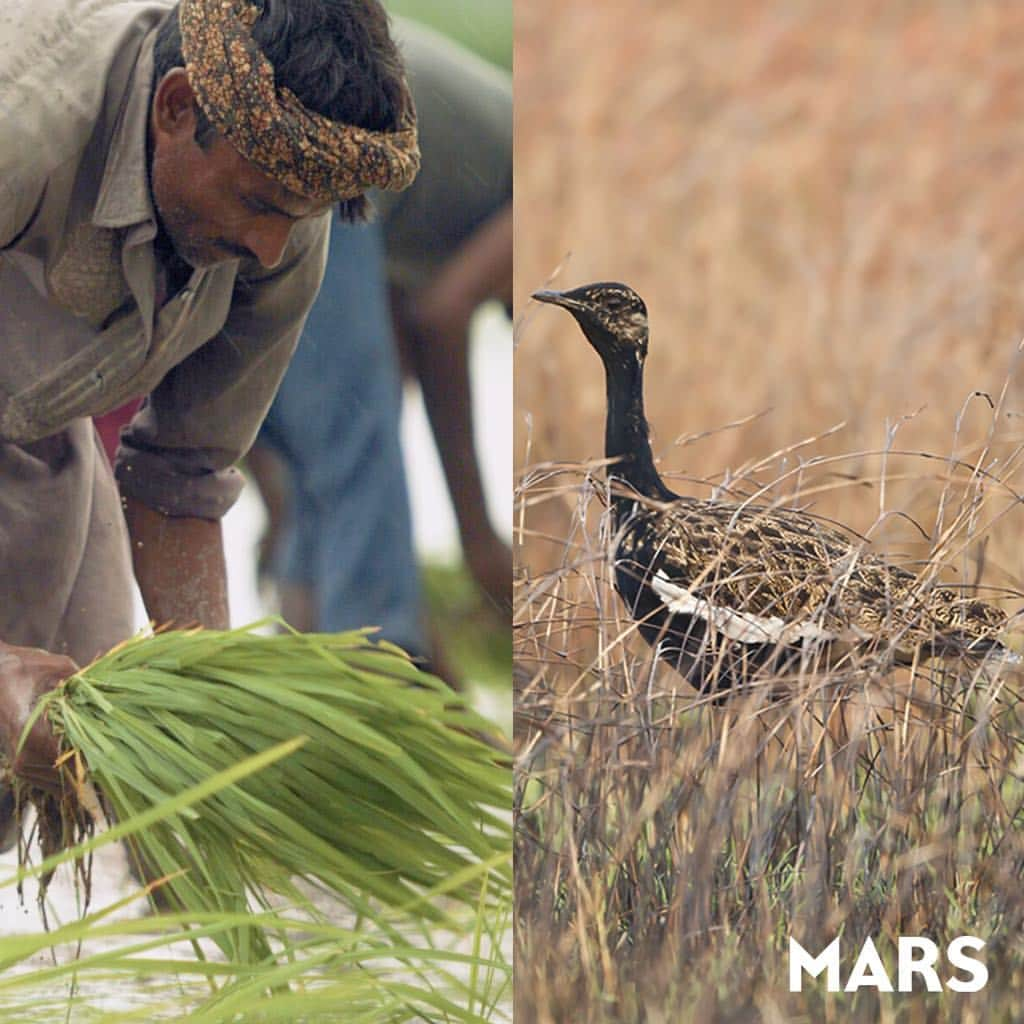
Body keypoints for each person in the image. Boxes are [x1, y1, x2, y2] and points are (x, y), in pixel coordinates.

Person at [0, 0, 419, 844]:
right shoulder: (21, 119)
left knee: (89, 769)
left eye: (294, 218)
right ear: (177, 107)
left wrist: (213, 729)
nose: (270, 250)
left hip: (38, 420)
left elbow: (180, 477)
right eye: (257, 203)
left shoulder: (280, 223)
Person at [250, 18, 511, 670]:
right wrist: (478, 539)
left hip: (305, 130)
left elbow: (397, 347)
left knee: (334, 443)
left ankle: (313, 672)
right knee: (352, 436)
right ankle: (378, 662)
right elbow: (442, 318)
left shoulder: (440, 210)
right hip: (336, 116)